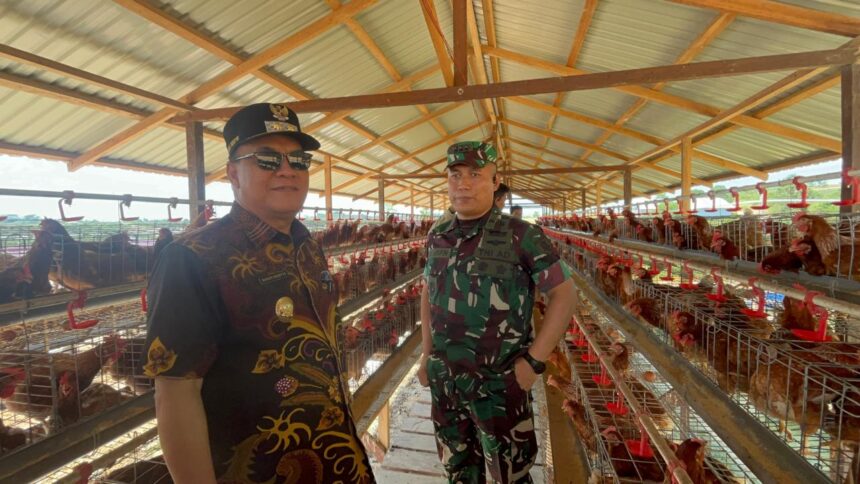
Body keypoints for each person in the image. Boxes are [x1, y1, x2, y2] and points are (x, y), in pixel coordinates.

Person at [143, 103, 374, 483]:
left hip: (338, 463)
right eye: (267, 159)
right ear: (233, 173)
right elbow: (175, 393)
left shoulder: (307, 247)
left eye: (299, 160)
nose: (287, 170)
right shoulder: (192, 258)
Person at [418, 141, 575, 483]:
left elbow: (564, 293)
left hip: (499, 385)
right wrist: (426, 355)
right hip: (446, 383)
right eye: (455, 175)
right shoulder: (438, 236)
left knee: (510, 475)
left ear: (494, 181)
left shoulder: (522, 235)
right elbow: (428, 293)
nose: (463, 184)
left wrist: (533, 362)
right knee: (459, 471)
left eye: (475, 174)